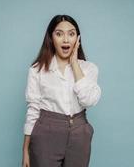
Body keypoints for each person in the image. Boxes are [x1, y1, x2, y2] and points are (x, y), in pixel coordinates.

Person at [22, 14, 101, 167]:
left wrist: (75, 64)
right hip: (46, 132)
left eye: (71, 34)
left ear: (77, 39)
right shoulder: (37, 70)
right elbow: (33, 109)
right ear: (51, 38)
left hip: (79, 133)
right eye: (59, 34)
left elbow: (88, 100)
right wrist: (25, 148)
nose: (66, 40)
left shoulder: (89, 69)